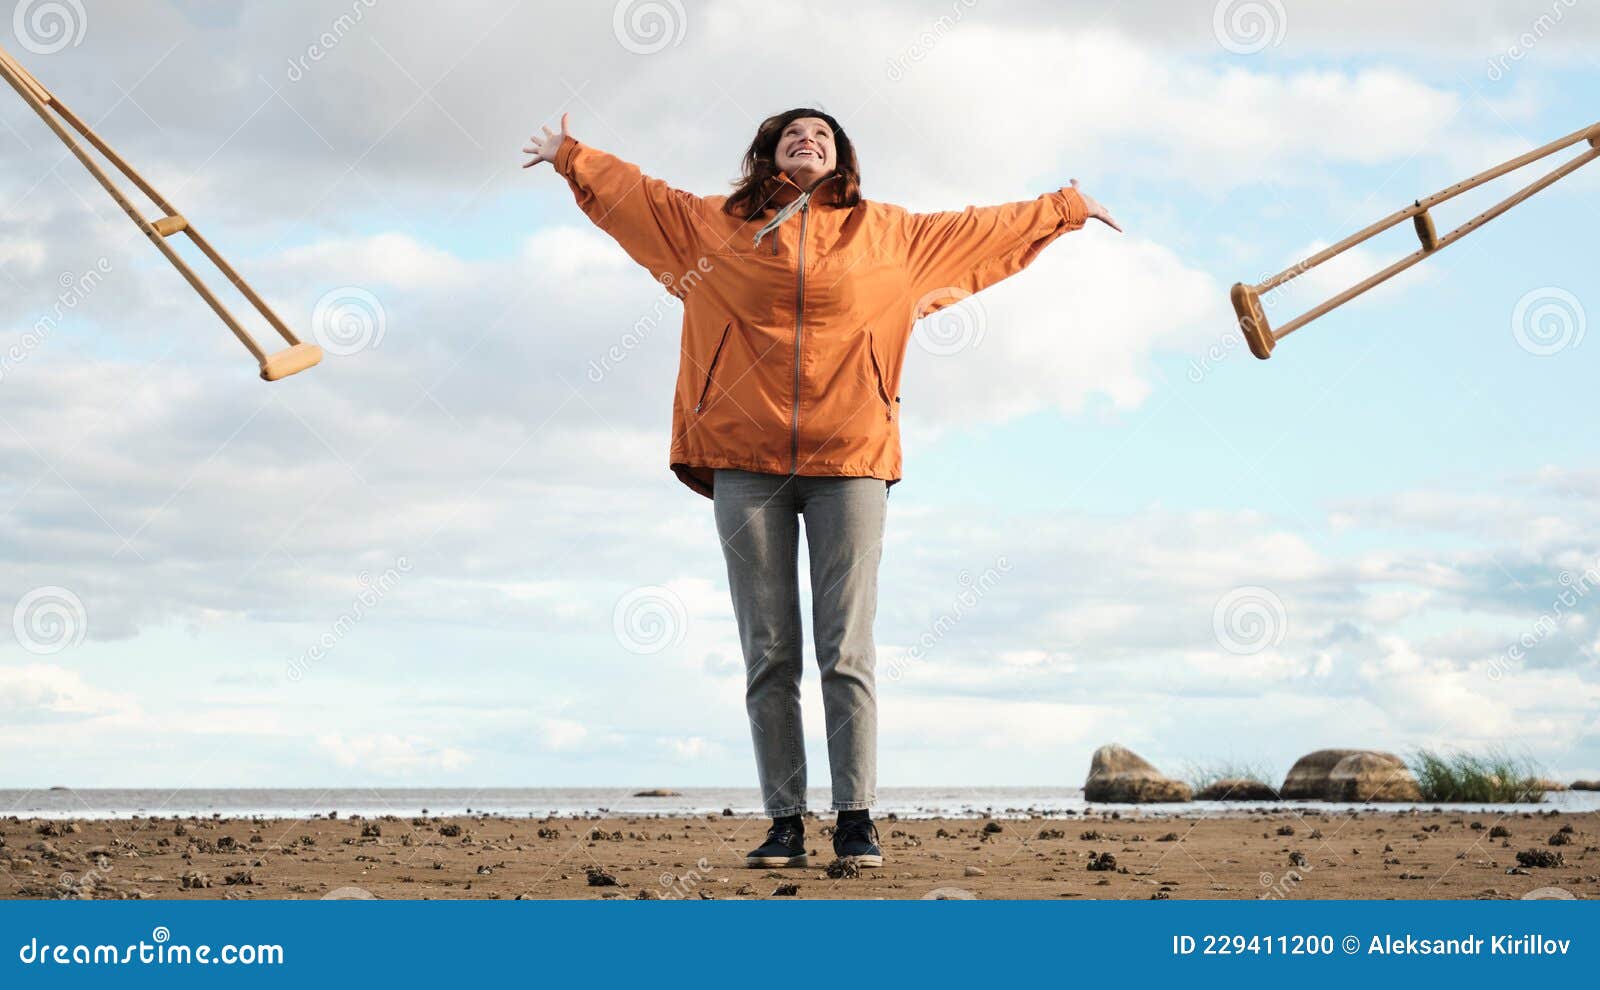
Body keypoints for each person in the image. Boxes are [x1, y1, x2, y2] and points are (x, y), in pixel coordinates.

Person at [523, 107, 1119, 868]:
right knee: (769, 651)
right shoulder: (711, 229)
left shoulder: (892, 236)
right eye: (791, 133)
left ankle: (856, 819)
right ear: (766, 153)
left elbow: (983, 230)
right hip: (744, 457)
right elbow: (643, 197)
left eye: (823, 135)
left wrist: (1065, 208)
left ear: (842, 157)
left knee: (846, 648)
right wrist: (571, 155)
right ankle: (784, 824)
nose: (808, 139)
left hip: (852, 459)